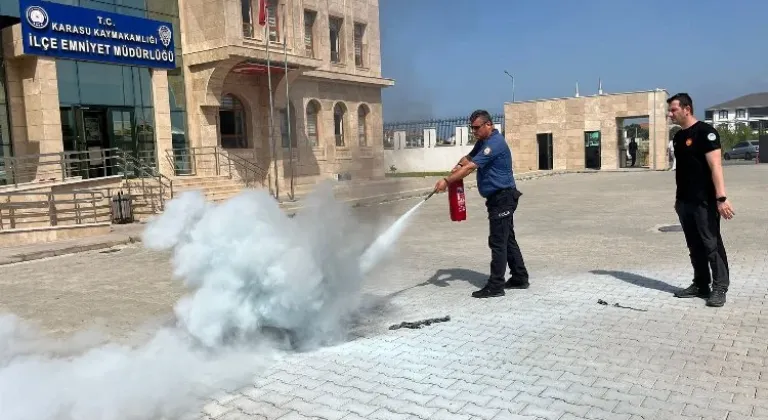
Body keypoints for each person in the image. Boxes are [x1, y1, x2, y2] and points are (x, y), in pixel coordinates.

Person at [433, 110, 529, 298]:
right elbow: (467, 159)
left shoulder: (494, 144)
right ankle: (519, 277)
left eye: (477, 128)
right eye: (472, 128)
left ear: (488, 125)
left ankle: (495, 286)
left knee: (497, 242)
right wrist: (457, 167)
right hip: (497, 199)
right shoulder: (482, 142)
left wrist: (447, 181)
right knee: (507, 239)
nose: (474, 131)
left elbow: (470, 168)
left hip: (503, 198)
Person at [667, 93, 735, 307]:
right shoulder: (678, 137)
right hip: (685, 201)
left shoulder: (706, 133)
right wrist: (678, 201)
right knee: (694, 245)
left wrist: (721, 198)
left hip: (704, 201)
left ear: (687, 109)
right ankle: (701, 284)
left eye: (673, 110)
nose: (670, 114)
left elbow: (716, 167)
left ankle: (720, 287)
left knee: (711, 244)